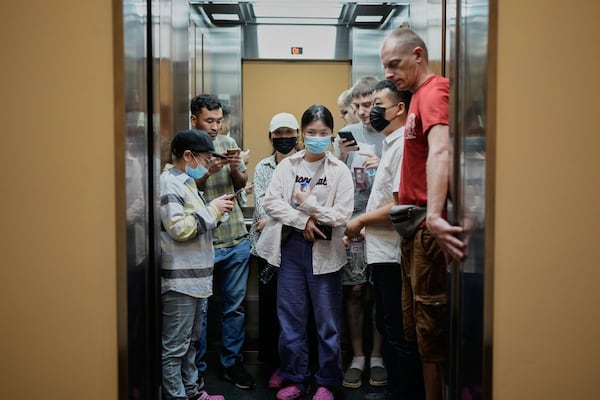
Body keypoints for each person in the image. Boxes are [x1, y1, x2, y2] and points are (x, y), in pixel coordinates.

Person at [380, 28, 466, 400]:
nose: (388, 73)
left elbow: (441, 150)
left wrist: (434, 214)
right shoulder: (415, 97)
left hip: (426, 225)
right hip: (412, 228)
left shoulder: (434, 91)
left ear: (418, 55)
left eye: (394, 64)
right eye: (385, 66)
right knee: (415, 324)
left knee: (430, 331)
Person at [255, 105, 354, 400]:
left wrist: (309, 206)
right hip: (290, 250)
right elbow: (272, 202)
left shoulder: (339, 171)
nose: (317, 138)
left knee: (327, 322)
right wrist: (304, 220)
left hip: (326, 250)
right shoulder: (289, 166)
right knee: (291, 319)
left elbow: (342, 214)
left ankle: (327, 380)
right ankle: (294, 377)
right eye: (311, 133)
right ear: (303, 134)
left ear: (331, 135)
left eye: (323, 133)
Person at [344, 81, 425, 400]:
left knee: (398, 332)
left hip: (393, 256)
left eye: (378, 103)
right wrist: (367, 229)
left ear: (399, 108)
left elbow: (402, 206)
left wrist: (361, 220)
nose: (371, 110)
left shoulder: (403, 147)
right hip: (381, 250)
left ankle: (405, 392)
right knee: (388, 324)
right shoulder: (393, 143)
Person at [160, 129, 234, 400]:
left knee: (190, 344)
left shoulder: (186, 182)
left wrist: (219, 212)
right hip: (180, 282)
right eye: (204, 160)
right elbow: (179, 228)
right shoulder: (169, 182)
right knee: (174, 349)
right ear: (188, 156)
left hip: (196, 280)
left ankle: (192, 392)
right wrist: (212, 209)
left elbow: (198, 223)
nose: (206, 166)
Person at [190, 94, 255, 390]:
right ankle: (197, 369)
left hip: (235, 239)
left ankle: (232, 363)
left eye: (219, 120)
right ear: (194, 120)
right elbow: (184, 192)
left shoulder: (228, 142)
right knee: (200, 312)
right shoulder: (187, 150)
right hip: (202, 243)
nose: (215, 127)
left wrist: (234, 168)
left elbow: (241, 186)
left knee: (234, 307)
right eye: (209, 121)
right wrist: (206, 173)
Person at [337, 76, 387, 390]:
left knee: (380, 293)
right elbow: (331, 178)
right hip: (352, 224)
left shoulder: (390, 135)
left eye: (368, 104)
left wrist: (381, 164)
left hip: (383, 225)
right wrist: (340, 156)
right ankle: (357, 356)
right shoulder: (348, 135)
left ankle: (378, 356)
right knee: (354, 291)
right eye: (358, 105)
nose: (363, 111)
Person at [248, 112, 301, 389]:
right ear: (271, 137)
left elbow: (306, 206)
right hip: (268, 251)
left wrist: (282, 215)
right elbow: (261, 212)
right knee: (270, 310)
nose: (283, 138)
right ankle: (273, 365)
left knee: (296, 310)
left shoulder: (307, 165)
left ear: (297, 134)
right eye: (277, 134)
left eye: (288, 132)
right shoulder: (263, 167)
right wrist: (289, 213)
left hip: (298, 249)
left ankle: (297, 366)